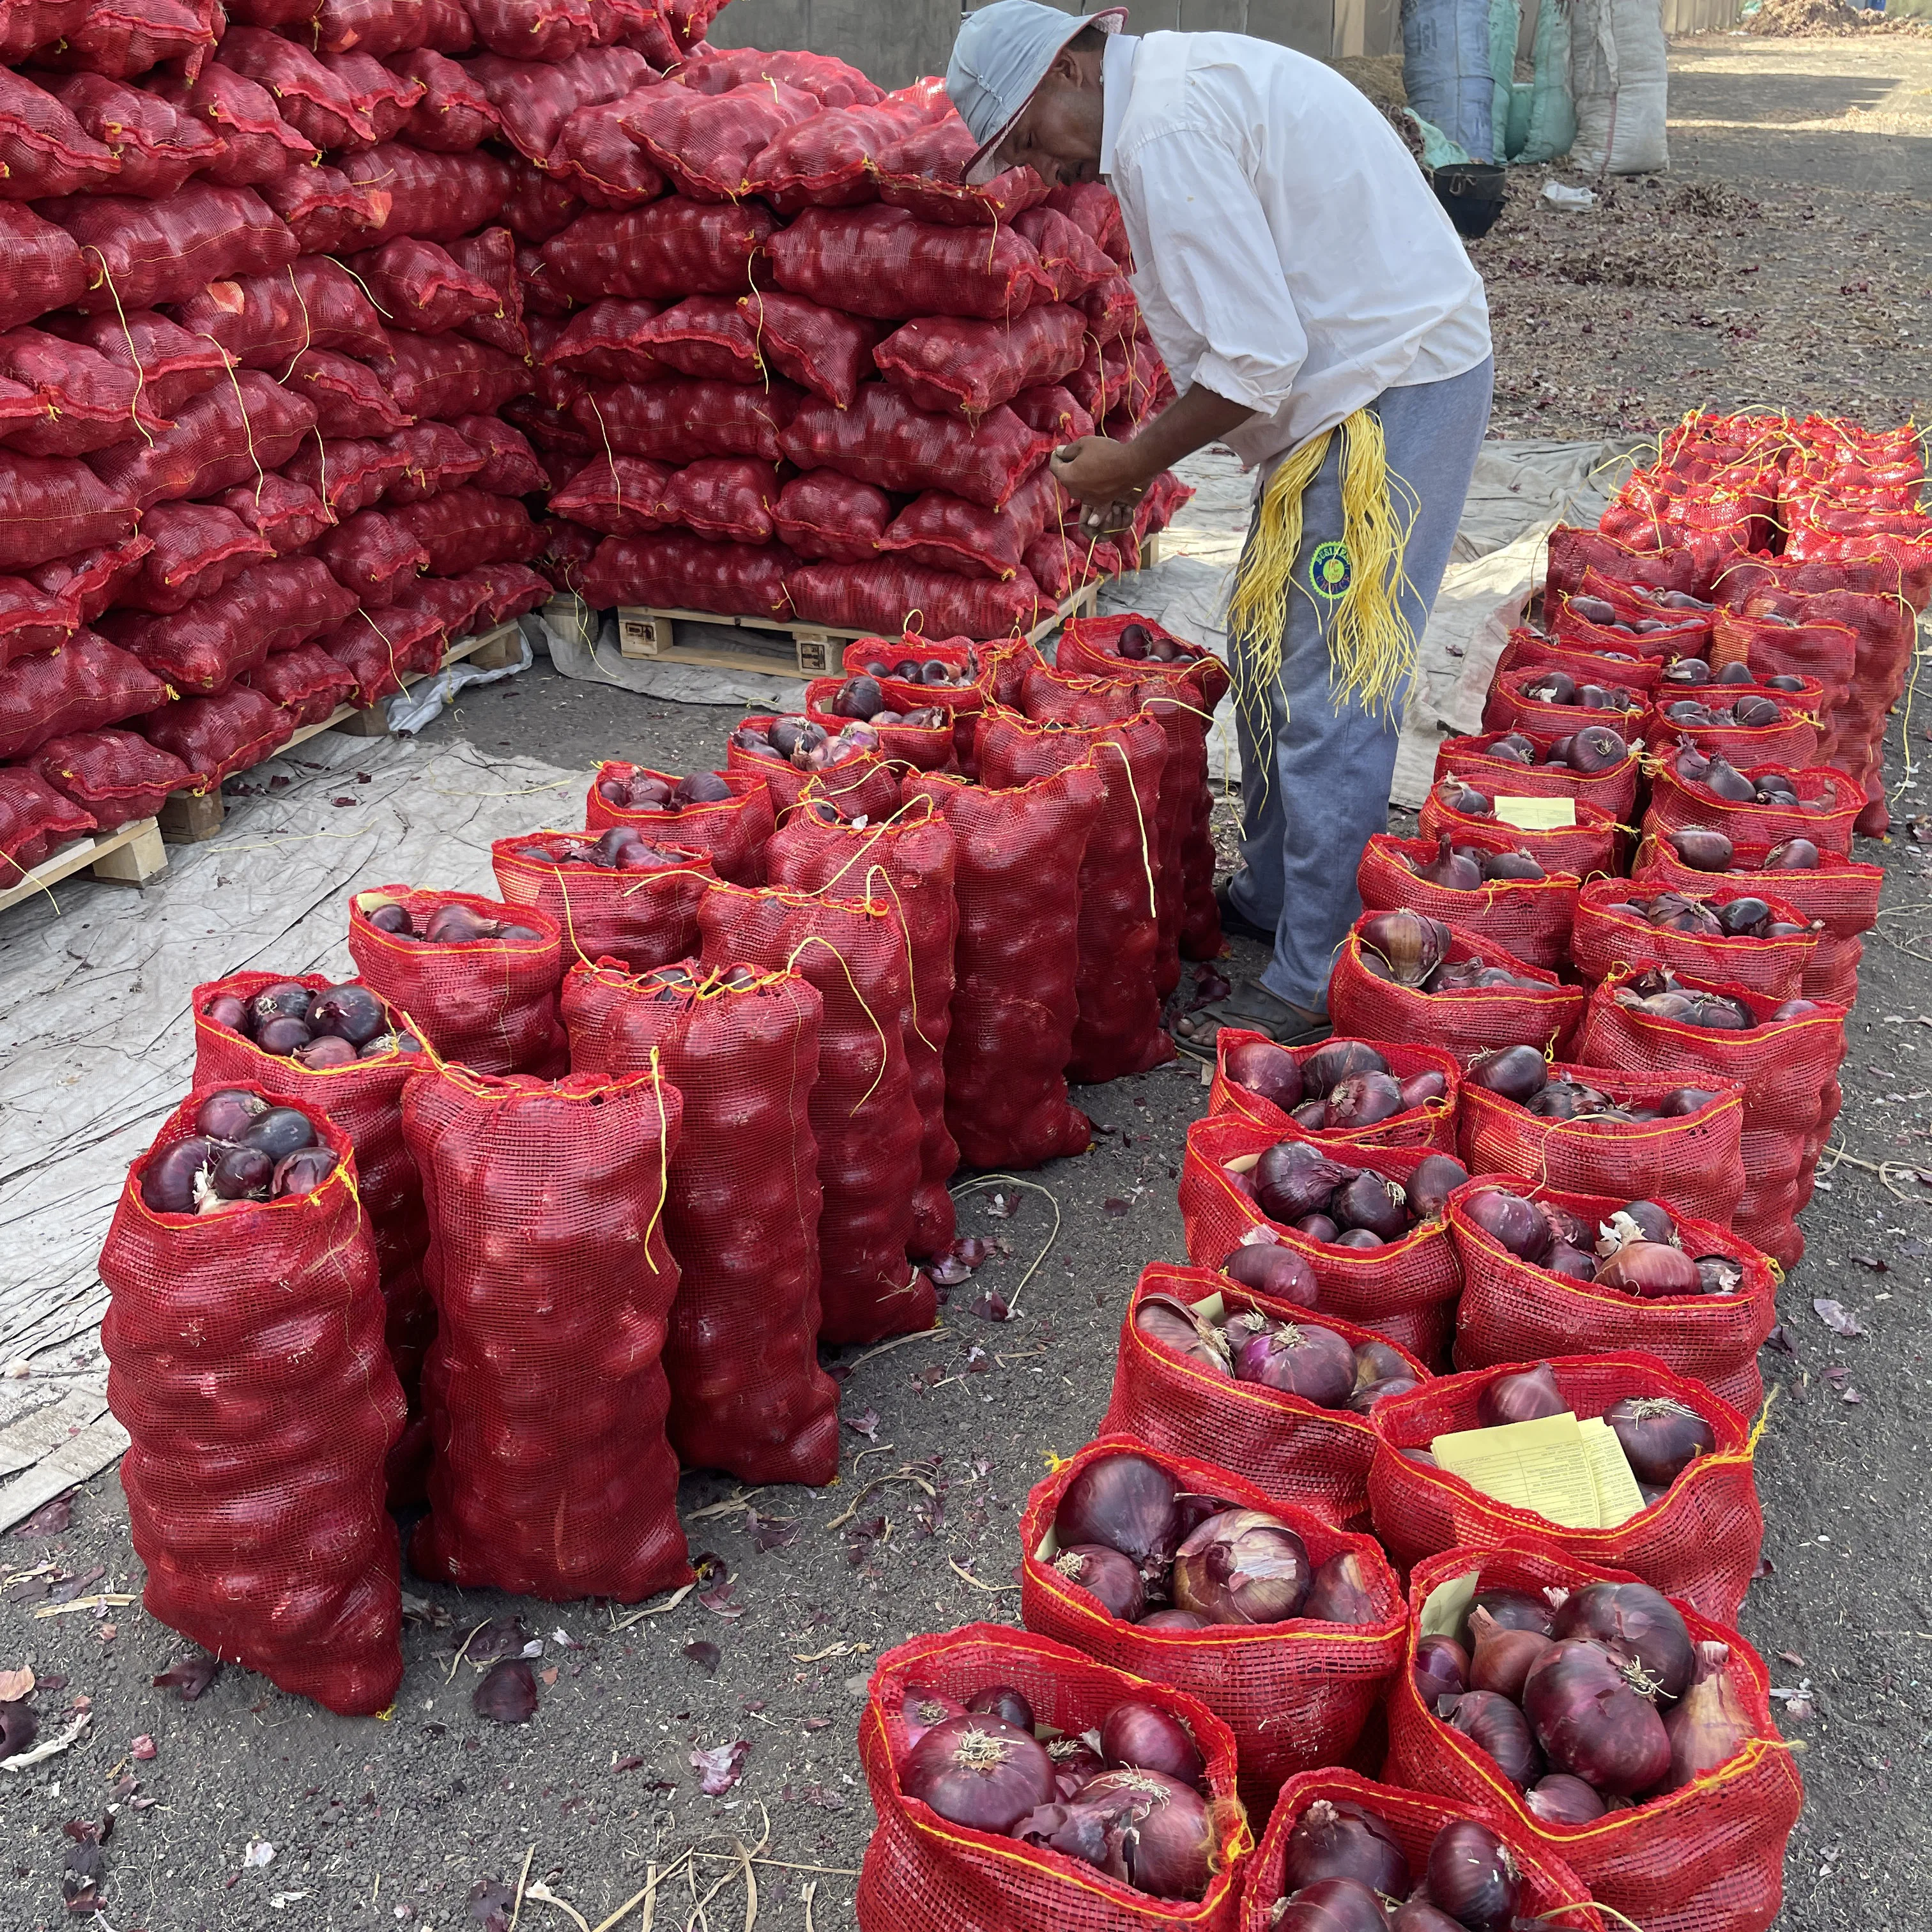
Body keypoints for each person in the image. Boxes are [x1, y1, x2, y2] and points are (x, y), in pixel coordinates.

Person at [946, 3, 1494, 1047]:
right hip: (1348, 388)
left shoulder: (1164, 132)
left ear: (1071, 69)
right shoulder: (1166, 101)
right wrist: (1141, 451)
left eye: (1024, 136)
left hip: (1392, 391)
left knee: (1333, 673)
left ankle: (1317, 967)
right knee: (1268, 642)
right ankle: (1282, 894)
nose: (1038, 168)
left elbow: (1254, 360)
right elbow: (1245, 338)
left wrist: (1137, 458)